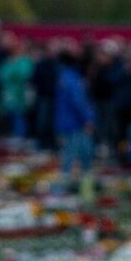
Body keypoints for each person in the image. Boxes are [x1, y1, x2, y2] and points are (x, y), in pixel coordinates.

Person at [53, 50, 97, 199]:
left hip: (65, 121)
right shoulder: (74, 79)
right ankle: (84, 191)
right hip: (75, 123)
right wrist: (88, 119)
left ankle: (65, 186)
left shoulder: (64, 76)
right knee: (83, 155)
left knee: (68, 153)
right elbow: (79, 101)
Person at [0, 40, 36, 142]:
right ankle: (13, 133)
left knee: (19, 114)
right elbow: (0, 74)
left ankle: (21, 135)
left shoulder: (25, 61)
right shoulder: (8, 60)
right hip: (8, 92)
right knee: (9, 114)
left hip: (20, 92)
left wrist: (11, 75)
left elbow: (24, 74)